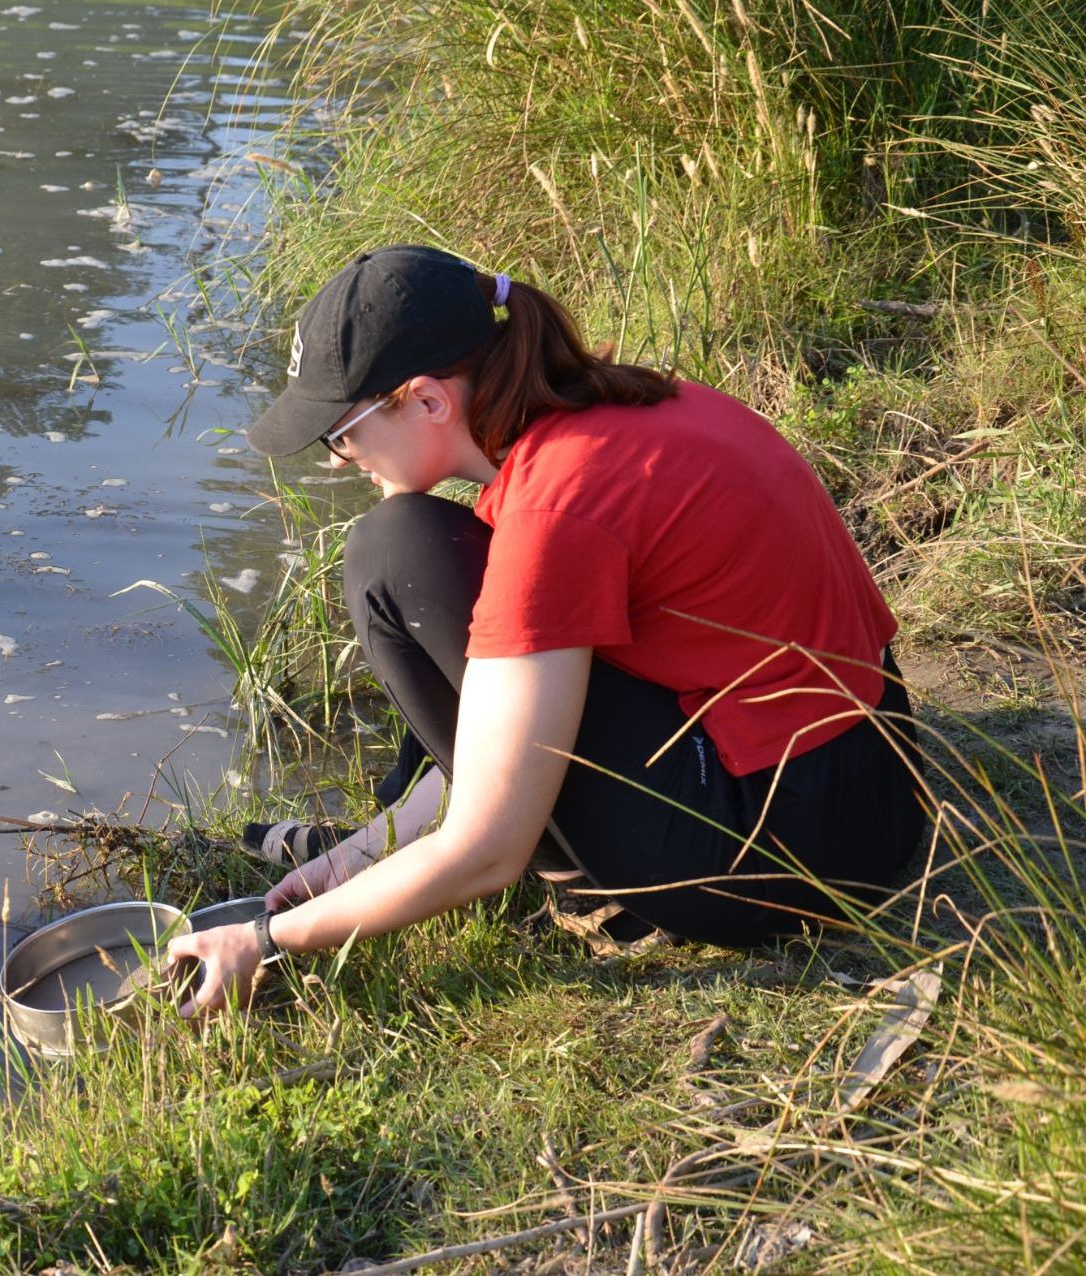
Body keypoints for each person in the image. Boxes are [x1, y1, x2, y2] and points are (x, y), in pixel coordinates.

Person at [168, 245, 925, 1013]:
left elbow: (489, 851)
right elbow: (530, 707)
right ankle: (408, 839)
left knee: (394, 553)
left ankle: (597, 888)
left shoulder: (554, 509)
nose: (337, 461)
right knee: (444, 571)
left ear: (429, 401)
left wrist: (267, 941)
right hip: (874, 792)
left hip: (779, 866)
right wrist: (367, 850)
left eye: (342, 431)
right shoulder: (623, 414)